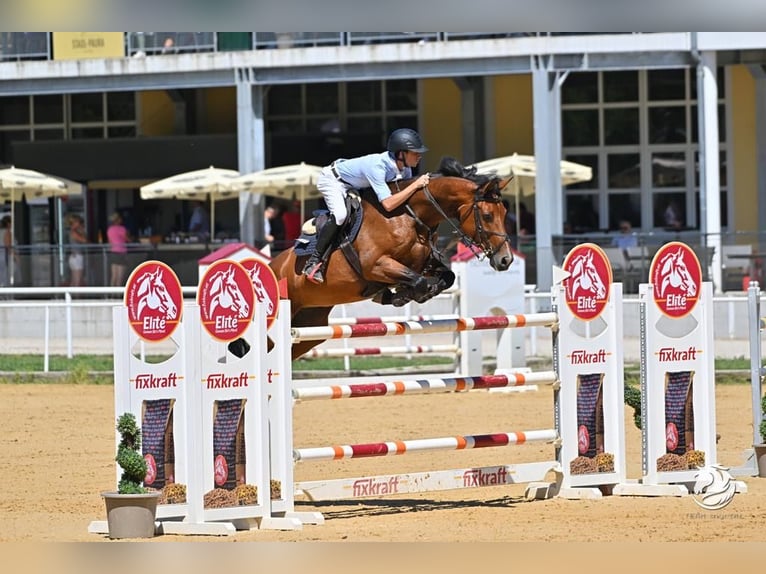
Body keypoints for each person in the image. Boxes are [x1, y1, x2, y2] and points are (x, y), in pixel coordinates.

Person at [302, 127, 431, 284]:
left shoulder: (405, 170)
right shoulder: (378, 166)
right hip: (333, 180)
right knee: (341, 215)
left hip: (354, 185)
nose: (419, 156)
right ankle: (314, 261)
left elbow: (404, 198)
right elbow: (389, 204)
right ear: (401, 154)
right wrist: (416, 185)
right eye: (415, 152)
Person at [107, 212, 130, 287]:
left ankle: (111, 296)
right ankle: (118, 296)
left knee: (114, 276)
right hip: (121, 253)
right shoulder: (122, 229)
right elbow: (127, 239)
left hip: (113, 252)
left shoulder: (109, 229)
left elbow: (110, 241)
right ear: (118, 220)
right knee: (120, 277)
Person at [68, 214, 87, 287]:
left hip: (74, 257)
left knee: (74, 279)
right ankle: (76, 297)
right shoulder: (74, 232)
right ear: (75, 223)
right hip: (77, 257)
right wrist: (82, 231)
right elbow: (84, 240)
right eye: (78, 222)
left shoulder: (73, 232)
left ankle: (72, 296)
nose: (79, 224)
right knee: (77, 280)